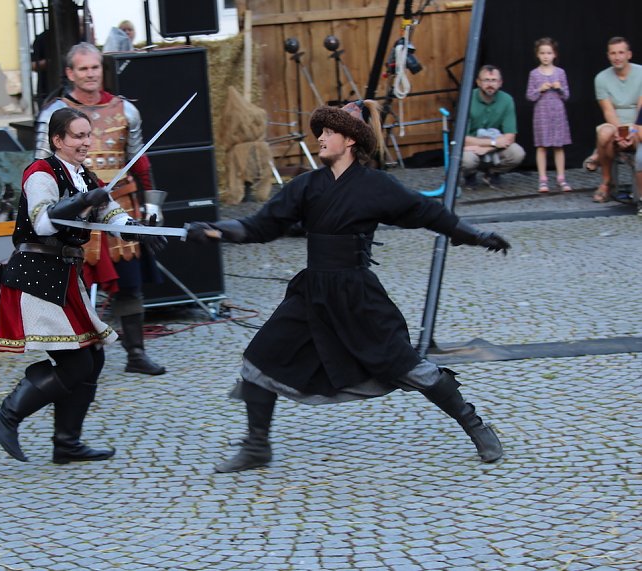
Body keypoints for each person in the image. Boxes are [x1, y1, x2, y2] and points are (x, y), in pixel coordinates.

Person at [185, 102, 509, 473]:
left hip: (357, 296)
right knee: (259, 360)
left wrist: (476, 235)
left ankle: (476, 426)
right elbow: (260, 226)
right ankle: (257, 446)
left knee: (409, 367)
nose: (320, 137)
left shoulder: (376, 186)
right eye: (320, 130)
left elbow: (429, 213)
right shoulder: (306, 186)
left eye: (329, 131)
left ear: (351, 139)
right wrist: (213, 231)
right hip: (312, 293)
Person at [0, 107, 166, 463]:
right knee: (77, 365)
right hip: (37, 276)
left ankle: (66, 443)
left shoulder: (85, 176)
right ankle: (7, 415)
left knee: (93, 359)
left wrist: (138, 229)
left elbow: (109, 214)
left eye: (88, 135)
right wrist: (83, 200)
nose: (86, 142)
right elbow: (42, 223)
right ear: (58, 140)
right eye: (78, 136)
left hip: (65, 276)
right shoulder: (40, 173)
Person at [35, 41, 166, 376]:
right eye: (83, 68)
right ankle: (78, 357)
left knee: (129, 283)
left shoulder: (126, 110)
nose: (90, 74)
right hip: (75, 211)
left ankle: (135, 354)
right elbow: (41, 166)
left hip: (120, 204)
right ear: (70, 73)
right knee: (72, 285)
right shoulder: (54, 114)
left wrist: (153, 207)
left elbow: (140, 162)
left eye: (94, 67)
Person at [587, 37, 642, 203]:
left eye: (621, 52)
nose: (617, 57)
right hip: (615, 124)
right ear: (608, 56)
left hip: (638, 125)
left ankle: (597, 155)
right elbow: (608, 110)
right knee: (605, 134)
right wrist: (621, 132)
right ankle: (606, 181)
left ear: (629, 54)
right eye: (613, 53)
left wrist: (631, 132)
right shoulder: (601, 78)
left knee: (614, 140)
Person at [461, 65, 526, 190]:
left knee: (517, 153)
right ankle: (469, 175)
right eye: (486, 80)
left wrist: (489, 147)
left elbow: (510, 136)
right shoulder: (466, 99)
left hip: (493, 147)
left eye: (494, 80)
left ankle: (493, 173)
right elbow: (462, 139)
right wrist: (494, 142)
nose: (490, 84)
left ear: (500, 83)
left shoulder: (507, 100)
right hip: (470, 148)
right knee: (466, 160)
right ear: (478, 82)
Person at [526, 38, 572, 193]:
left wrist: (560, 88)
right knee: (542, 146)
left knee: (559, 146)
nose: (546, 56)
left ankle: (561, 177)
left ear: (554, 55)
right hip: (542, 114)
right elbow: (530, 96)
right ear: (537, 55)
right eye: (542, 53)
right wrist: (540, 89)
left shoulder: (561, 73)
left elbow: (567, 96)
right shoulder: (534, 74)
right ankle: (543, 179)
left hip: (558, 114)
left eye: (549, 53)